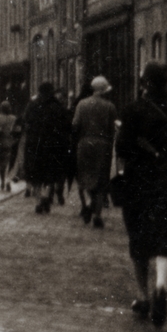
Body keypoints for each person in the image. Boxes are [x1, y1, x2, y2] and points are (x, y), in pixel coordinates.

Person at [115, 61, 167, 329]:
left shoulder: (132, 111)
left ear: (144, 83)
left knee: (138, 239)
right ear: (166, 83)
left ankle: (143, 296)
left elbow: (122, 148)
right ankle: (161, 285)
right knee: (165, 237)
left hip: (138, 184)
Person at [21, 81, 74, 214]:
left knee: (35, 174)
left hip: (34, 144)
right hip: (53, 145)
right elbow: (66, 126)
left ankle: (38, 201)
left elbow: (25, 121)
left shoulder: (32, 105)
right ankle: (46, 195)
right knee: (51, 172)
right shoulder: (57, 106)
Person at [72, 75, 118, 228]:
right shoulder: (110, 106)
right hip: (103, 145)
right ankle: (97, 215)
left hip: (84, 143)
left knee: (84, 177)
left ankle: (87, 203)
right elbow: (113, 128)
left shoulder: (82, 104)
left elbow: (75, 124)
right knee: (101, 181)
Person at [0, 99, 21, 192]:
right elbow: (18, 130)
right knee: (10, 164)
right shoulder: (14, 118)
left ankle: (2, 181)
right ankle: (8, 181)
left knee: (1, 164)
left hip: (0, 143)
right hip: (11, 143)